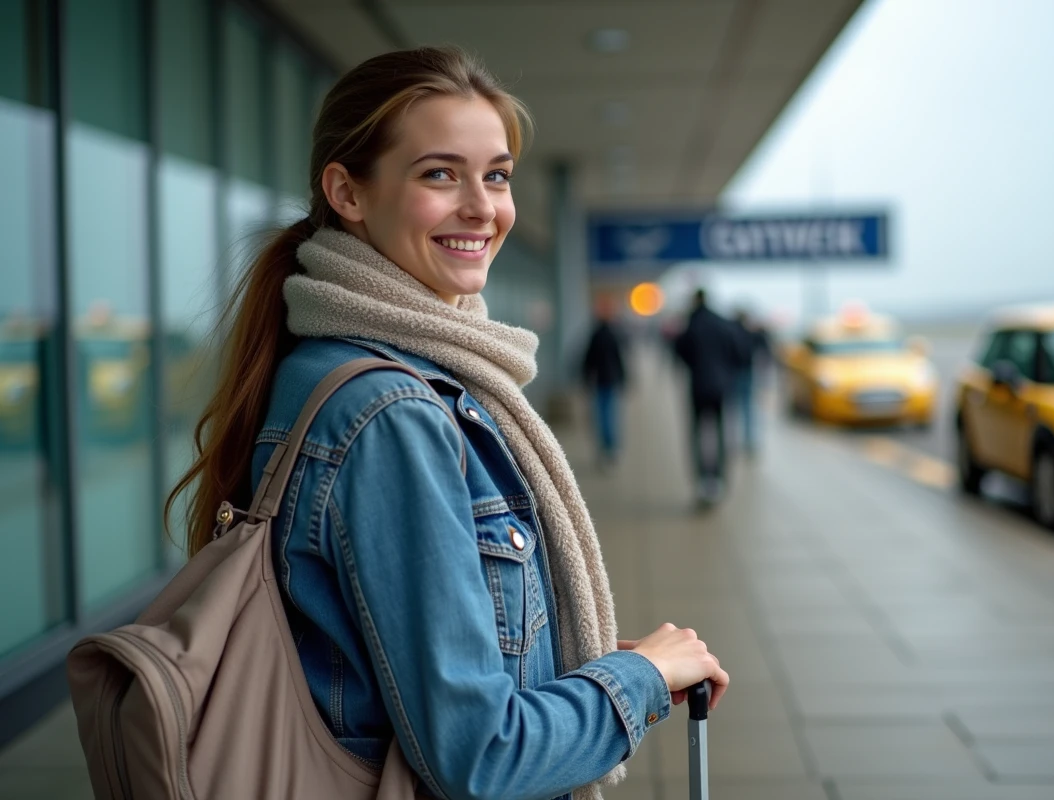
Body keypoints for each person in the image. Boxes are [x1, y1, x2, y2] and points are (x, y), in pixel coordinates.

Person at [167, 47, 728, 800]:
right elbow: (480, 754)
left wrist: (575, 658)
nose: (482, 207)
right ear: (348, 192)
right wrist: (642, 677)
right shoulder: (391, 413)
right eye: (439, 174)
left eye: (496, 175)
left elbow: (394, 657)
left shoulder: (336, 364)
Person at [673, 289, 746, 506]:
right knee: (722, 432)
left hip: (698, 386)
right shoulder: (723, 323)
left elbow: (680, 351)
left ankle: (702, 479)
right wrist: (726, 372)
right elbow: (739, 353)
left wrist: (696, 367)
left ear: (695, 301)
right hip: (722, 387)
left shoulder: (692, 324)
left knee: (697, 434)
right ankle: (719, 478)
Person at [581, 295, 626, 468]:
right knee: (611, 415)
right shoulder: (614, 334)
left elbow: (588, 359)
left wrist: (585, 378)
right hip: (612, 380)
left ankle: (605, 448)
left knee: (601, 416)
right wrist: (623, 378)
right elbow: (619, 359)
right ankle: (611, 448)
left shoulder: (596, 334)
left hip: (600, 380)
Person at [731, 310, 773, 455]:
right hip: (747, 373)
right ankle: (749, 441)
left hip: (734, 374)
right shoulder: (749, 333)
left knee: (734, 408)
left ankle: (735, 442)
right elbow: (763, 352)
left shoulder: (732, 333)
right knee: (748, 408)